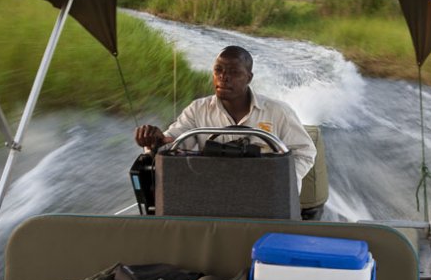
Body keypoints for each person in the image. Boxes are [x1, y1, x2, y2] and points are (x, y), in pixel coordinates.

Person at [134, 45, 316, 190]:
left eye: (234, 72)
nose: (223, 77)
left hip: (267, 198)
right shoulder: (198, 110)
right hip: (215, 195)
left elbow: (305, 152)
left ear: (249, 77)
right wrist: (156, 141)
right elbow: (175, 142)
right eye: (218, 70)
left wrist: (279, 181)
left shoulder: (278, 112)